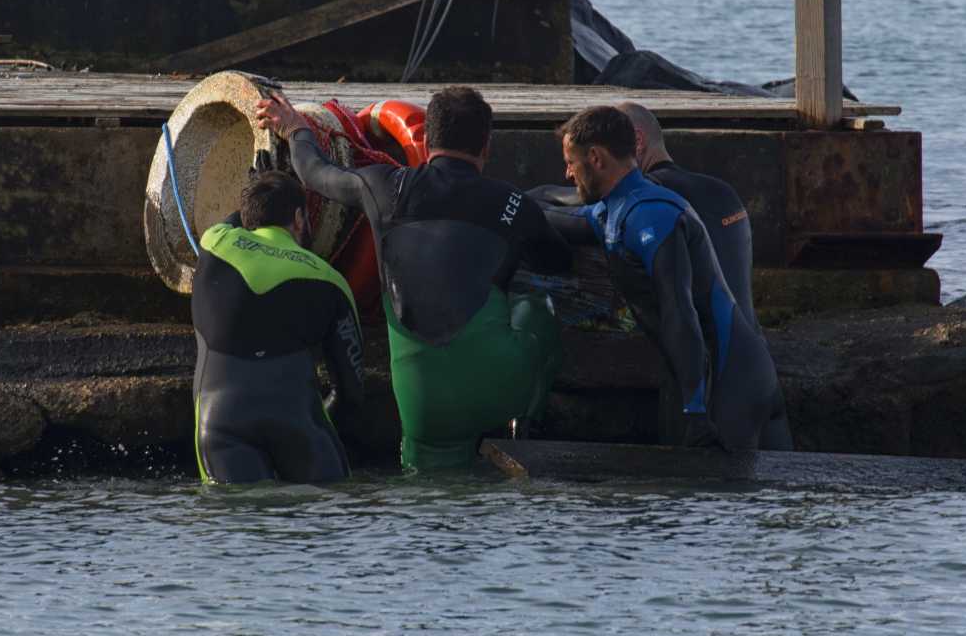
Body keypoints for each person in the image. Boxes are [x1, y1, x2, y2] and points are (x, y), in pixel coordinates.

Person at [256, 86, 574, 471]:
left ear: (425, 141)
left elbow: (314, 171)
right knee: (538, 302)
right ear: (486, 147)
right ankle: (526, 424)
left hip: (422, 404)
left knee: (425, 481)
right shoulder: (513, 204)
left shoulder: (382, 186)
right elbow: (558, 261)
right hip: (501, 389)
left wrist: (295, 129)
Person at [548, 105, 787, 452]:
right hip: (727, 374)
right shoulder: (616, 209)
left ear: (596, 158)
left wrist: (694, 408)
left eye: (571, 162)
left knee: (716, 502)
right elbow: (552, 210)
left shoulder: (652, 215)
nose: (568, 173)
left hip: (725, 383)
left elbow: (679, 310)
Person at [191, 171, 365, 484]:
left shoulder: (215, 241)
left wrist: (255, 188)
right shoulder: (329, 279)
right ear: (299, 218)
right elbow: (351, 394)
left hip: (221, 421)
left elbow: (232, 220)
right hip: (299, 423)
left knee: (237, 518)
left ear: (248, 217)